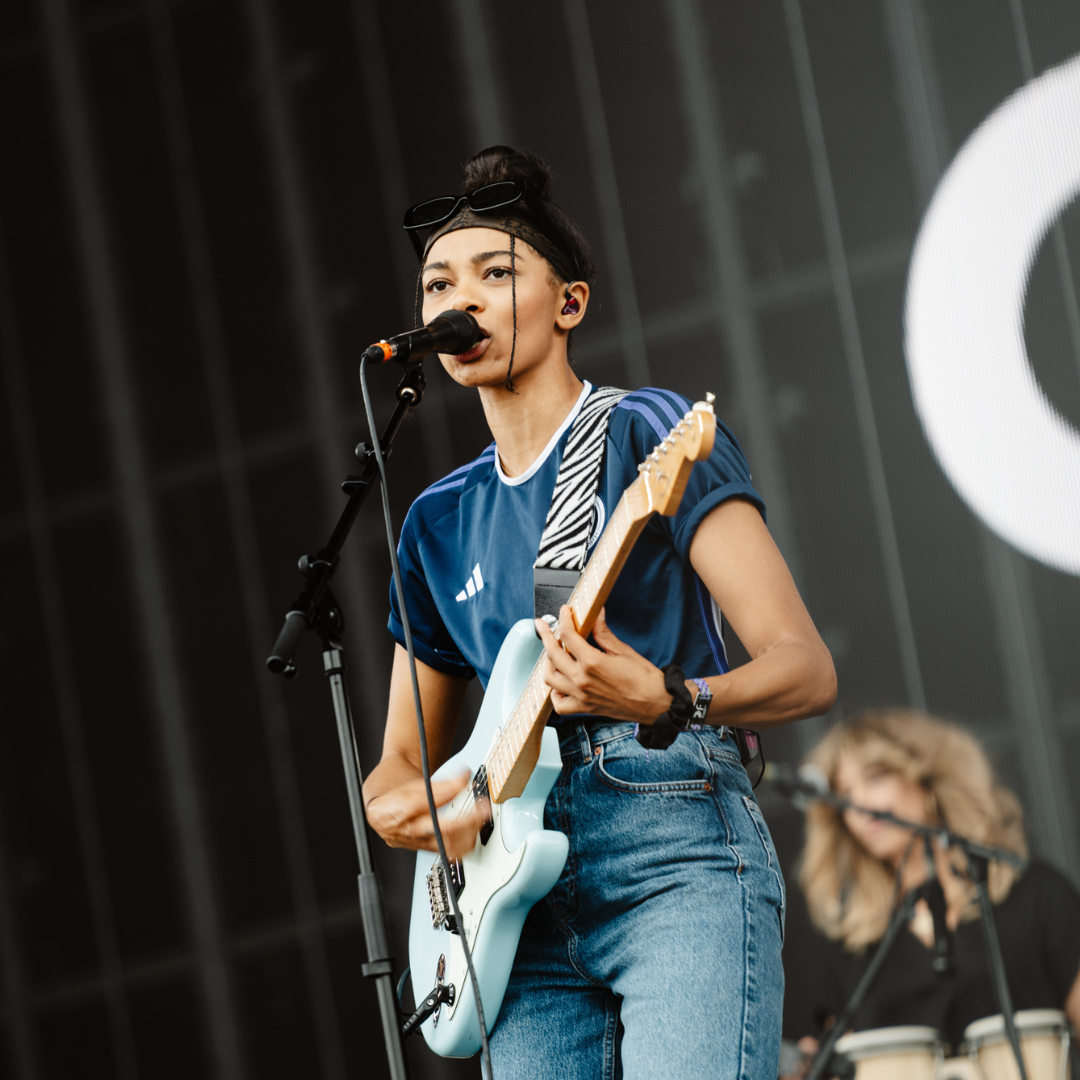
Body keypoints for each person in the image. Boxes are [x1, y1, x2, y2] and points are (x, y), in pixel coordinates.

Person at [361, 145, 837, 1080]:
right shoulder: (434, 522)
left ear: (569, 303)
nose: (460, 301)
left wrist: (671, 698)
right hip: (511, 897)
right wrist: (401, 812)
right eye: (438, 284)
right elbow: (399, 763)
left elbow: (805, 668)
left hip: (668, 839)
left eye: (496, 274)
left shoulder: (644, 430)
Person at [797, 709, 1080, 1056]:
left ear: (927, 777)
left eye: (875, 777)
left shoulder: (1037, 893)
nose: (859, 805)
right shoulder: (853, 942)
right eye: (844, 794)